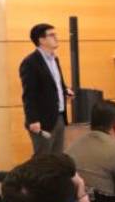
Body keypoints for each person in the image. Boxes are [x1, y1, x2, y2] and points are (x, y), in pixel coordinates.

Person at [19, 23, 75, 155]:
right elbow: (29, 94)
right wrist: (32, 120)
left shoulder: (54, 59)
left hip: (59, 116)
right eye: (52, 35)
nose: (56, 37)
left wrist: (65, 90)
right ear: (41, 40)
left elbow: (57, 84)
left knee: (57, 160)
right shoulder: (30, 63)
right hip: (42, 121)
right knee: (43, 161)